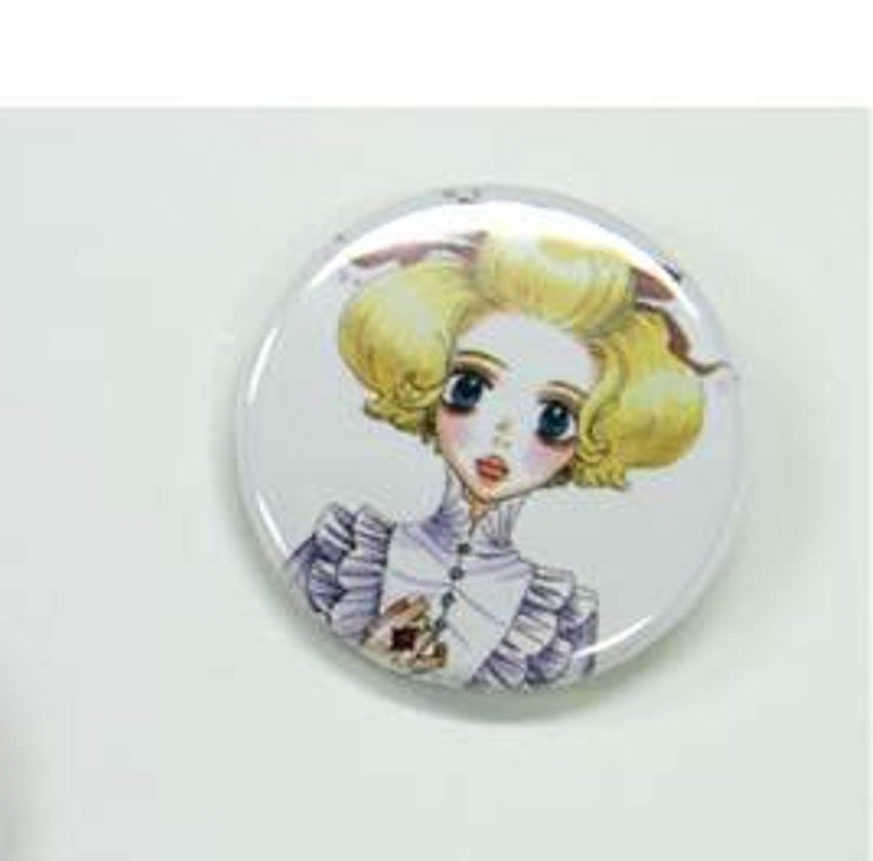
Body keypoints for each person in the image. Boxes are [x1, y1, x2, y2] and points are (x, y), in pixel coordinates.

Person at [287, 231, 709, 688]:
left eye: (554, 417)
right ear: (429, 382)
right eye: (469, 388)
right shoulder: (342, 554)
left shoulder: (560, 623)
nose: (502, 436)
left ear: (593, 434)